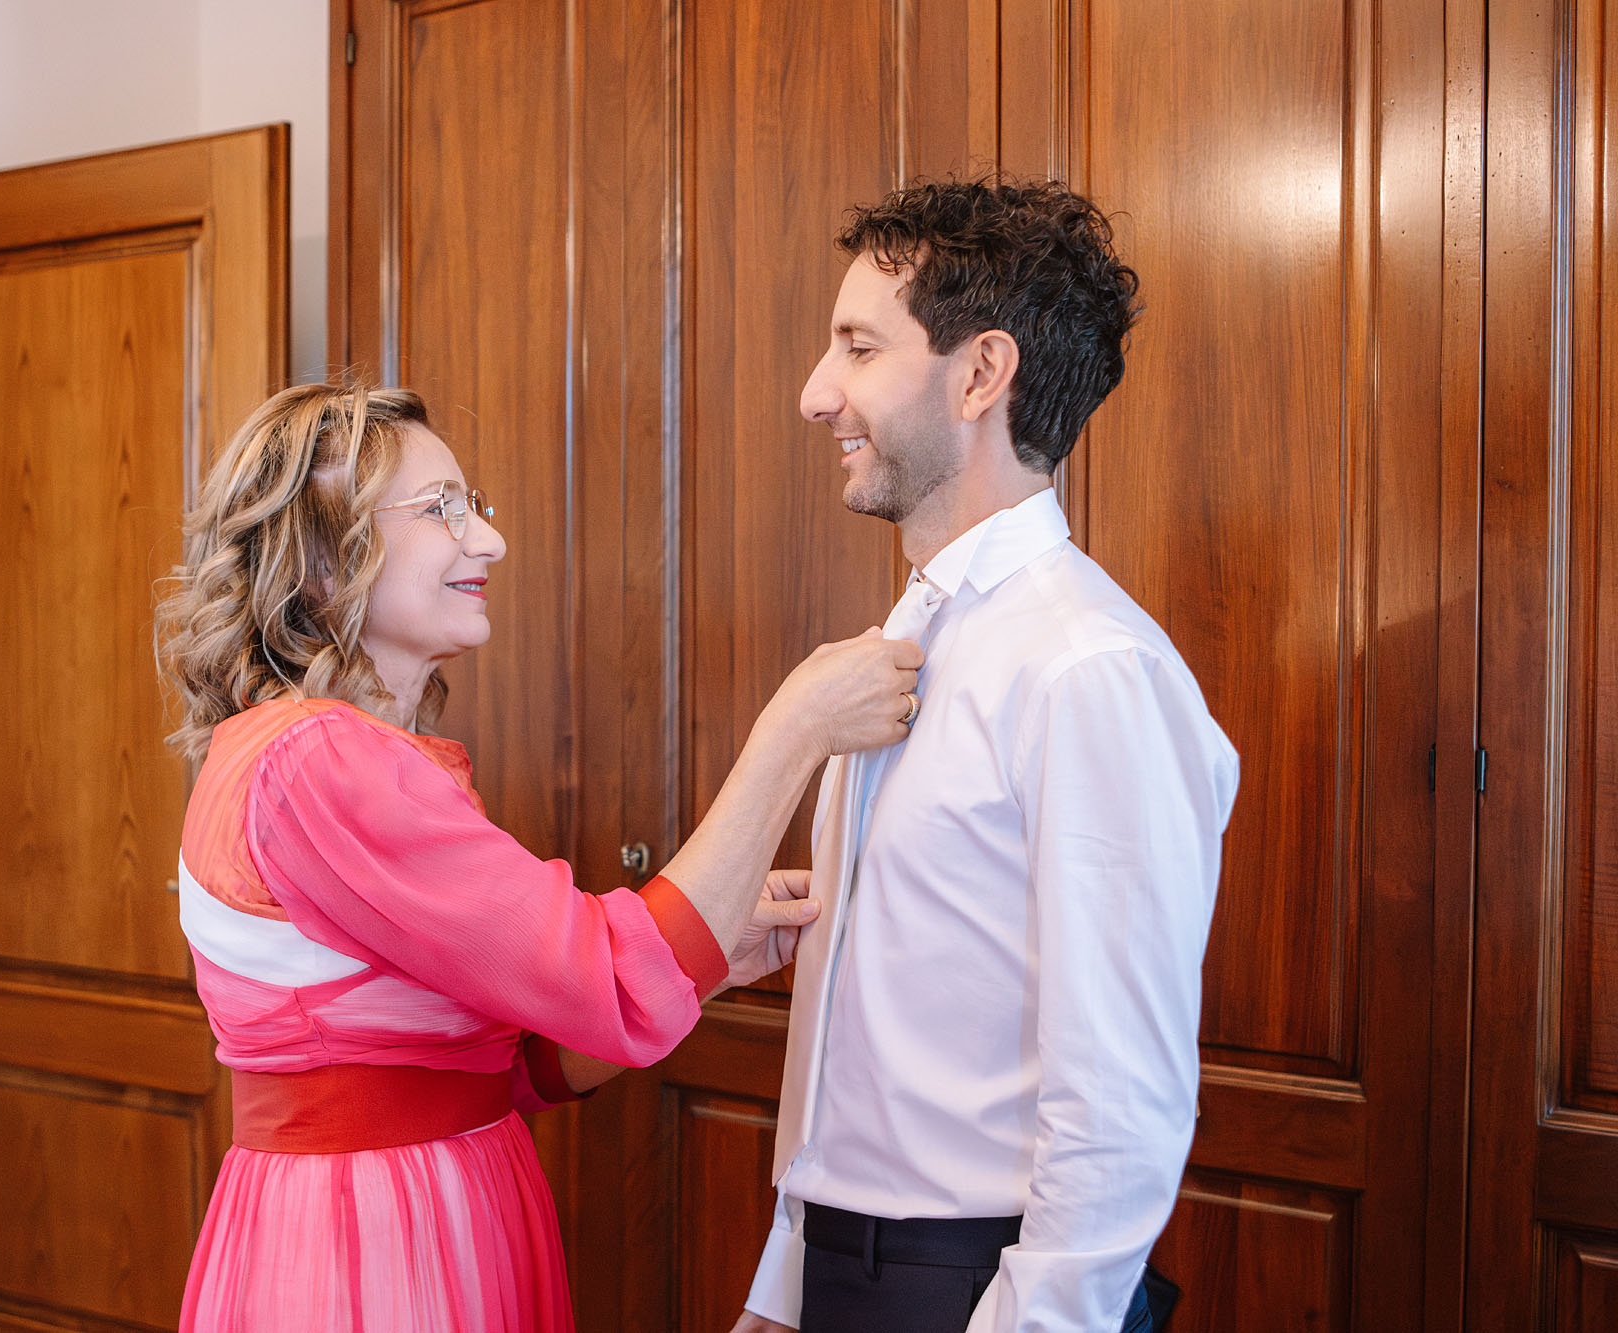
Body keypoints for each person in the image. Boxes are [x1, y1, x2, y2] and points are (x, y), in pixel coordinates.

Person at [154, 381, 922, 1332]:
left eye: (473, 504)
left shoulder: (302, 755)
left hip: (419, 1211)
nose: (488, 539)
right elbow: (602, 975)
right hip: (377, 1250)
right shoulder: (320, 763)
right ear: (319, 554)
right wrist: (793, 728)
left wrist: (714, 953)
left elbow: (507, 1068)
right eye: (440, 509)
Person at [735, 178, 1240, 1333]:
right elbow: (859, 1036)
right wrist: (784, 1283)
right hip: (840, 1267)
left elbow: (1117, 1096)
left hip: (974, 1291)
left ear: (979, 374)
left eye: (857, 346)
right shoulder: (905, 641)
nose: (816, 394)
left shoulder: (1086, 668)